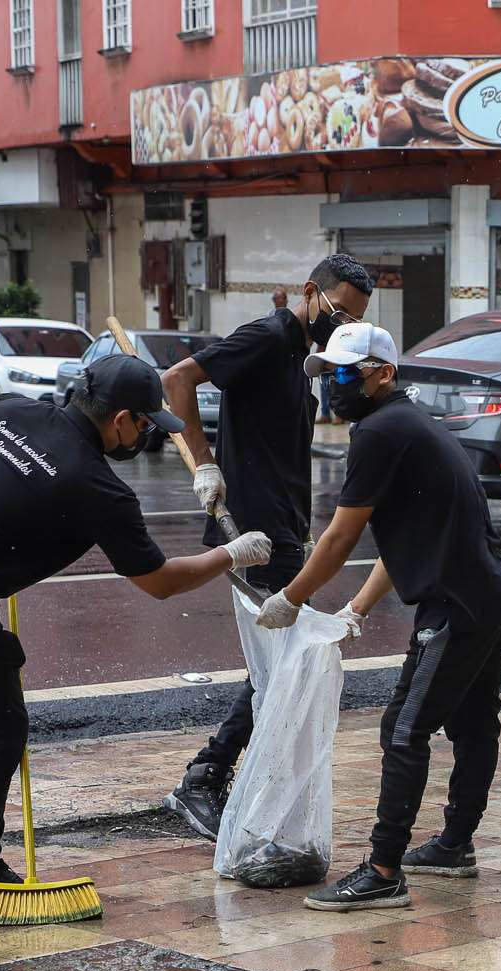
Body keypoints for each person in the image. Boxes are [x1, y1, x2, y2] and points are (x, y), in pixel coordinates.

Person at [0, 357, 272, 904]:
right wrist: (229, 553)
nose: (148, 437)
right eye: (148, 426)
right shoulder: (99, 488)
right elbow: (158, 581)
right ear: (122, 420)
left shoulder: (9, 409)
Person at [257, 323, 501, 911]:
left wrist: (291, 599)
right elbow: (405, 541)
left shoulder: (379, 432)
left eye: (346, 372)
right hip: (491, 600)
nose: (334, 384)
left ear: (384, 372)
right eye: (328, 373)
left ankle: (383, 870)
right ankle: (454, 845)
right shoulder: (410, 424)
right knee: (473, 725)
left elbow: (339, 538)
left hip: (457, 607)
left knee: (404, 729)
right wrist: (355, 609)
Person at [161, 254, 373, 838]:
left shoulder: (306, 358)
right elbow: (176, 380)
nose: (343, 323)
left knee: (281, 664)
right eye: (340, 310)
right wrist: (205, 465)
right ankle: (205, 777)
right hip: (249, 530)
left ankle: (227, 776)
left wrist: (302, 529)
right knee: (281, 664)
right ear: (311, 292)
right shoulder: (266, 335)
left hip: (285, 528)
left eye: (354, 317)